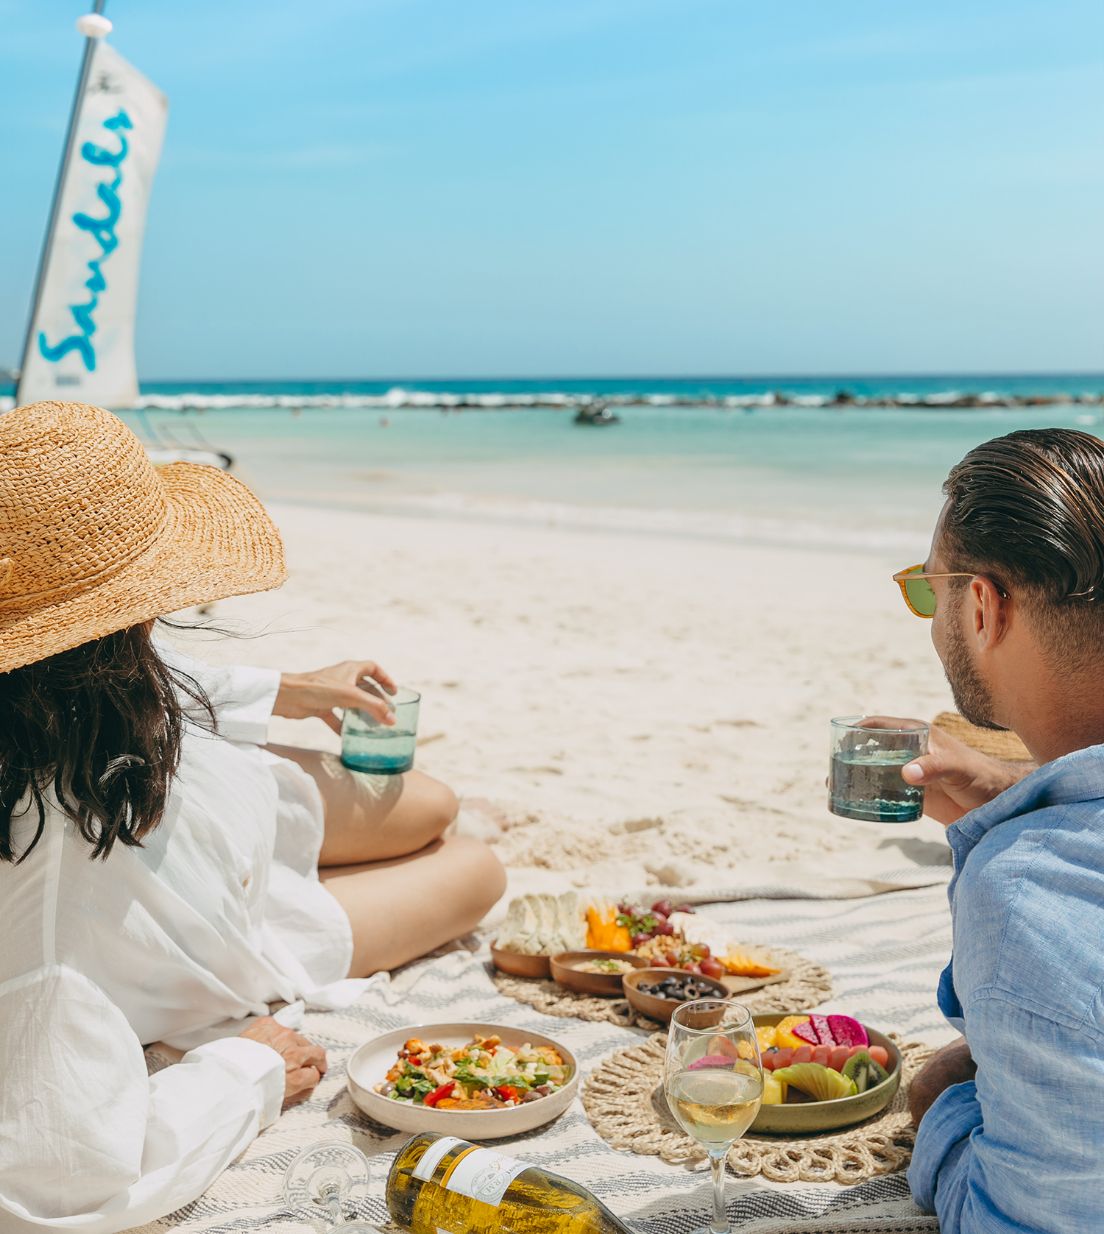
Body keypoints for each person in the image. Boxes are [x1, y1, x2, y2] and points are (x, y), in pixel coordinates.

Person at [0, 401, 505, 1232]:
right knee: (477, 867)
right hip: (220, 929)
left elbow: (95, 664)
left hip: (192, 802)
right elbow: (57, 1192)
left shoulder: (52, 690)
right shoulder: (42, 916)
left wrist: (288, 690)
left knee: (436, 804)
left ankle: (363, 847)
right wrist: (245, 1066)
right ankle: (354, 871)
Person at [886, 428, 1104, 1232]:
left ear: (981, 605)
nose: (930, 617)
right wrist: (1012, 794)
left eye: (927, 590)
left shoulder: (1025, 892)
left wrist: (938, 1113)